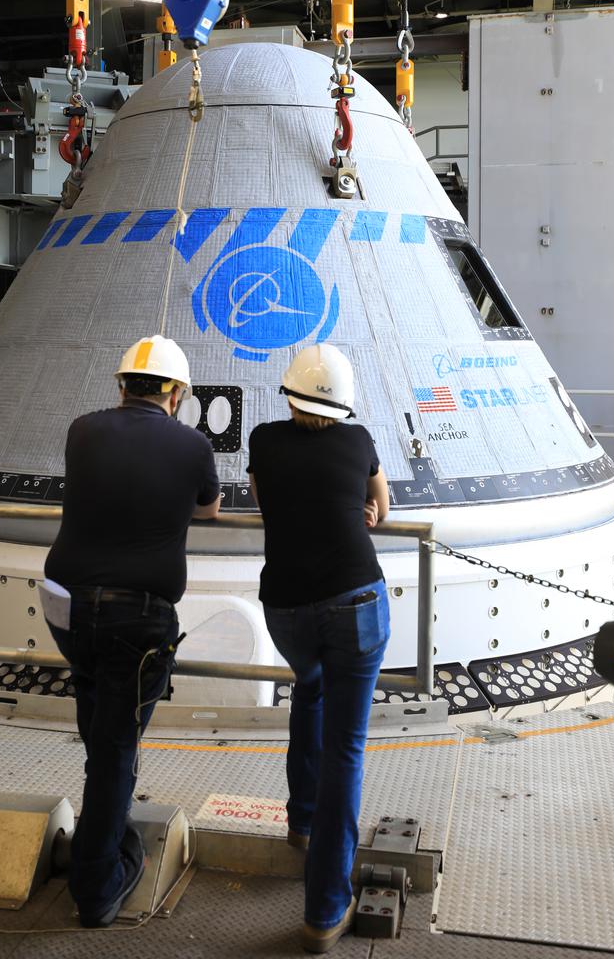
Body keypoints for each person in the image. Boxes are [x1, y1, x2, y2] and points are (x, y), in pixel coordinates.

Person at [42, 334, 220, 927]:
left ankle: (104, 832)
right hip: (138, 619)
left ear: (121, 386)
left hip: (67, 608)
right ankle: (97, 888)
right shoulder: (193, 445)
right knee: (116, 749)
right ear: (176, 393)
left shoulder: (80, 429)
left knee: (100, 727)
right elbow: (207, 509)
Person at [247, 343, 390, 954]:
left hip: (285, 610)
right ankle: (325, 909)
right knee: (346, 752)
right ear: (346, 400)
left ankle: (301, 822)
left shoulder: (263, 438)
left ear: (288, 392)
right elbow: (381, 509)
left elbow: (264, 503)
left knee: (310, 686)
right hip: (356, 603)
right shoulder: (359, 443)